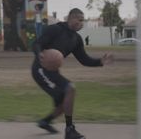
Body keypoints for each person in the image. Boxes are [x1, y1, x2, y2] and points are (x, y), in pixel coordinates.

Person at [31, 8, 113, 139]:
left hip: (53, 72)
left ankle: (45, 122)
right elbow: (37, 43)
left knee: (64, 103)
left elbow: (84, 60)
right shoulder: (55, 29)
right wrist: (39, 53)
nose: (81, 23)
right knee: (70, 88)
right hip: (40, 69)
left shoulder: (76, 39)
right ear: (70, 18)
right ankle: (69, 130)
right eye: (79, 20)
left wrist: (100, 62)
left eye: (83, 21)